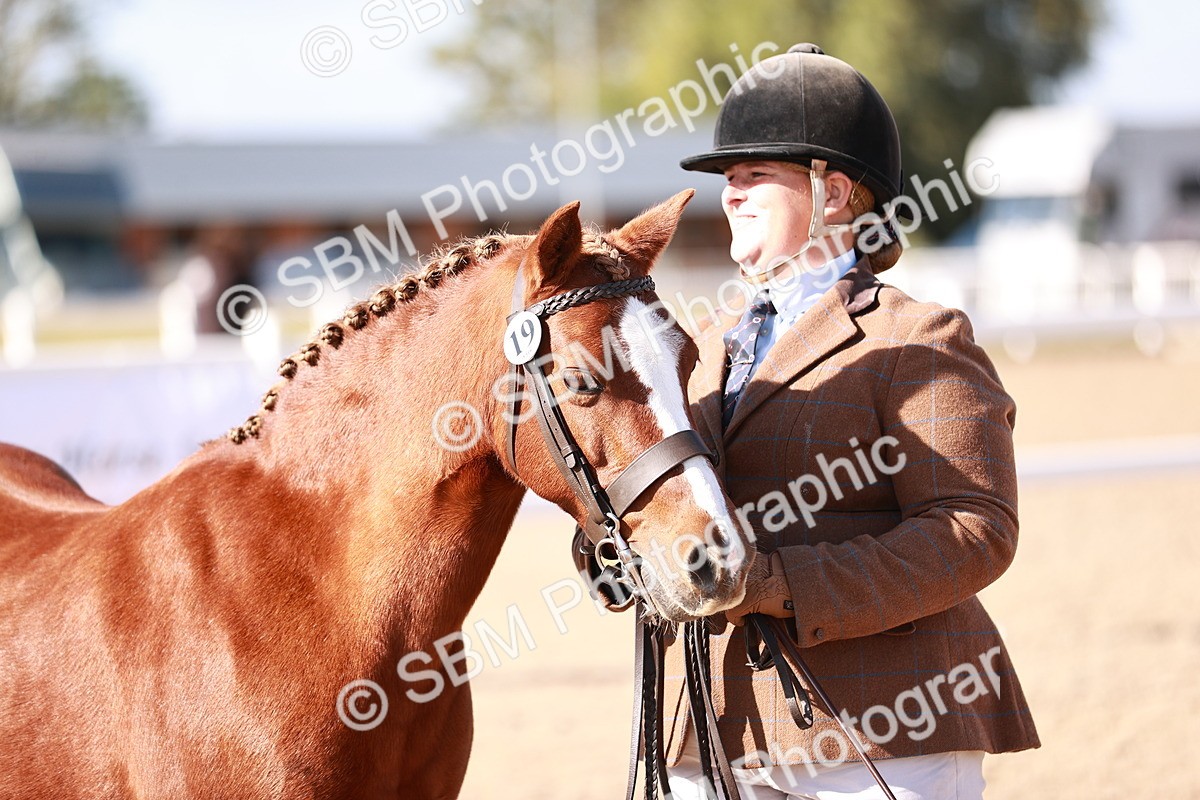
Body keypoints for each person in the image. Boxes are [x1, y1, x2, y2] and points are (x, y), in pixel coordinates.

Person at [661, 43, 1040, 799]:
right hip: (721, 726)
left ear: (833, 194)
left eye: (754, 174)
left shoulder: (919, 338)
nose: (730, 193)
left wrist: (775, 579)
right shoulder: (699, 349)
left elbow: (973, 528)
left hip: (886, 728)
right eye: (727, 178)